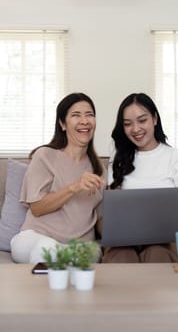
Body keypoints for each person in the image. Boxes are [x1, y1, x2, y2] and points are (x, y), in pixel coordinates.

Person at [11, 93, 107, 263]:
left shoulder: (99, 169)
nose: (84, 121)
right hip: (36, 238)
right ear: (63, 124)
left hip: (78, 245)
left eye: (89, 115)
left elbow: (99, 218)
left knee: (92, 253)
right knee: (47, 250)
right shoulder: (45, 156)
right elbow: (37, 208)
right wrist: (74, 187)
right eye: (76, 115)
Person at [102, 93, 178, 263]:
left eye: (142, 120)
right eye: (128, 124)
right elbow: (112, 214)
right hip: (123, 242)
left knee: (157, 254)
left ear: (155, 119)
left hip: (163, 241)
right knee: (123, 257)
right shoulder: (118, 158)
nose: (135, 129)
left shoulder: (177, 158)